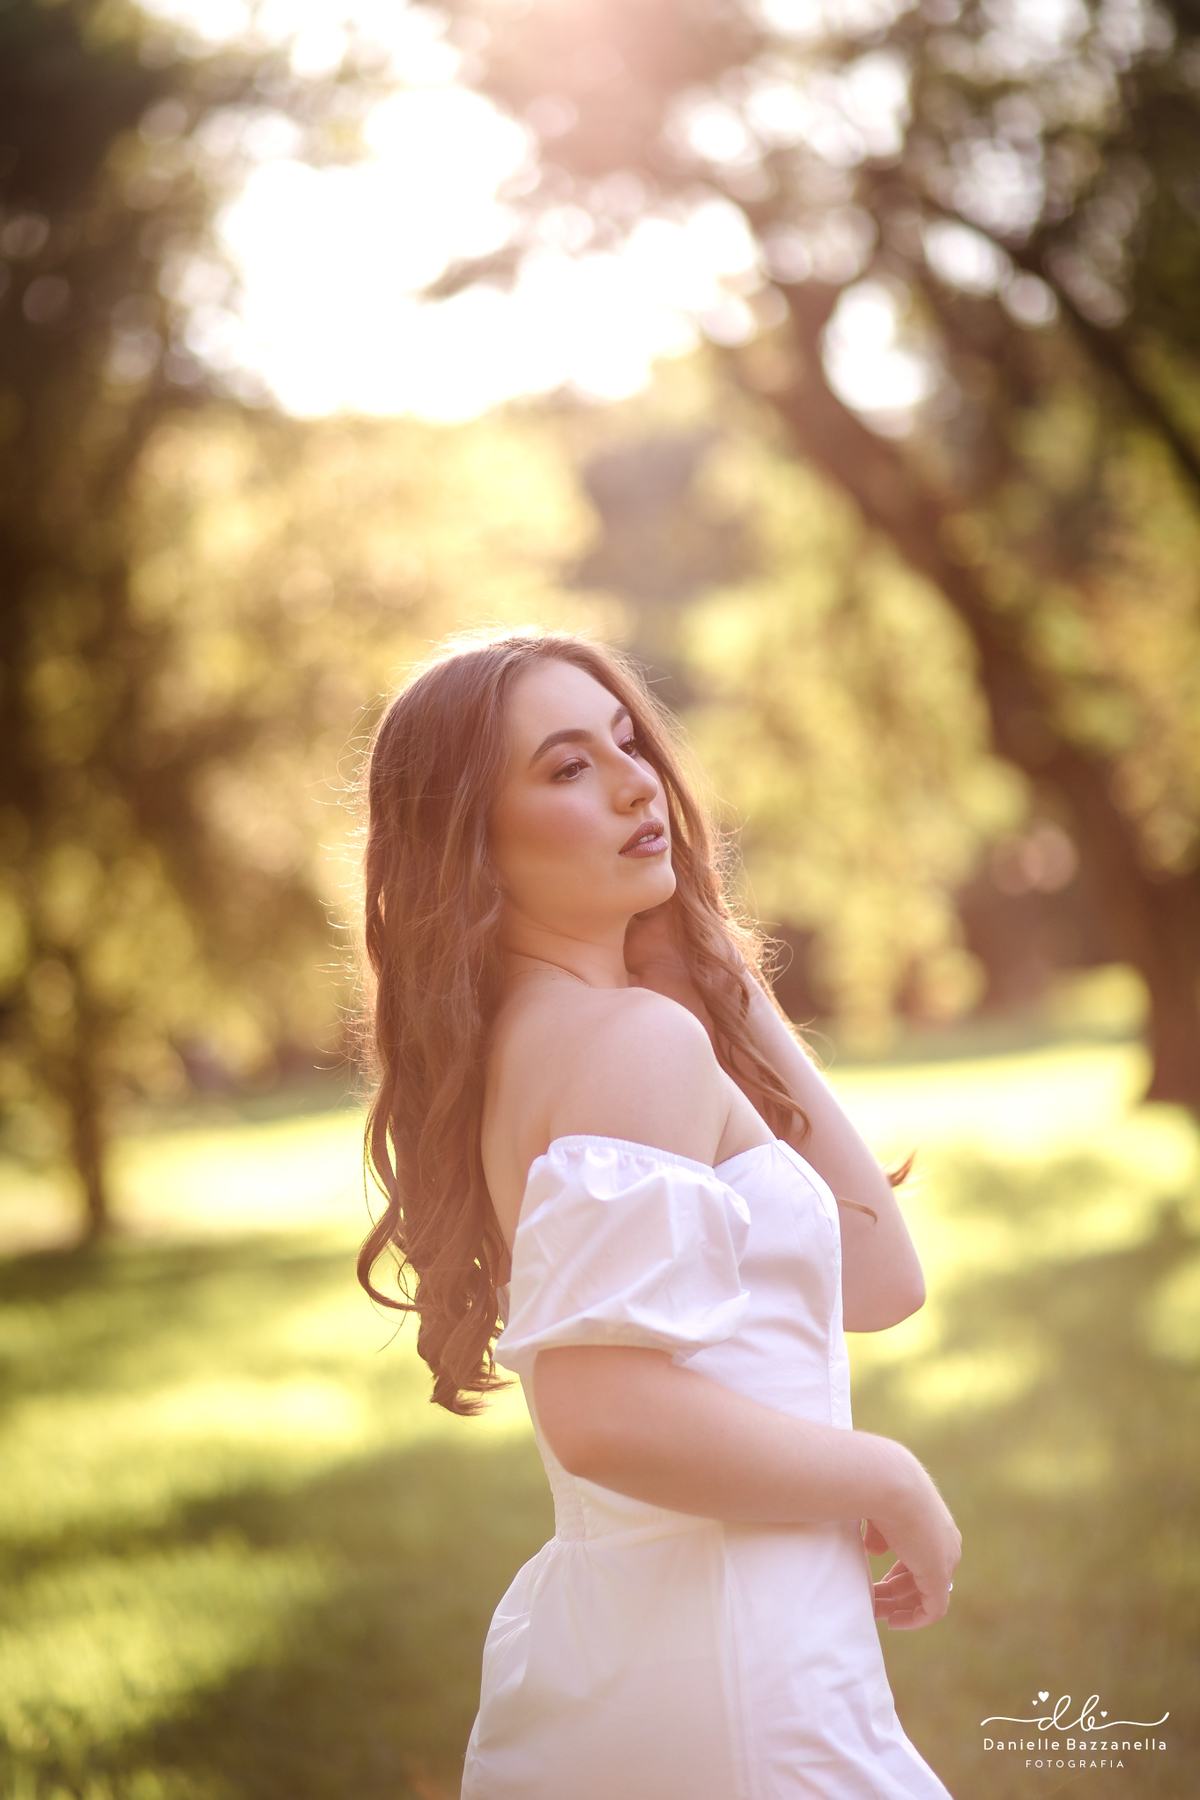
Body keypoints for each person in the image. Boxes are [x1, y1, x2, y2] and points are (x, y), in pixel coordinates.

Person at [359, 628, 961, 1800]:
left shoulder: (556, 1035)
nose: (637, 784)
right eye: (567, 767)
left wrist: (719, 972)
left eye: (628, 742)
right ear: (470, 842)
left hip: (655, 1643)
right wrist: (883, 1473)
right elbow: (603, 1410)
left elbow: (880, 1281)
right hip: (737, 1669)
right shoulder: (631, 1044)